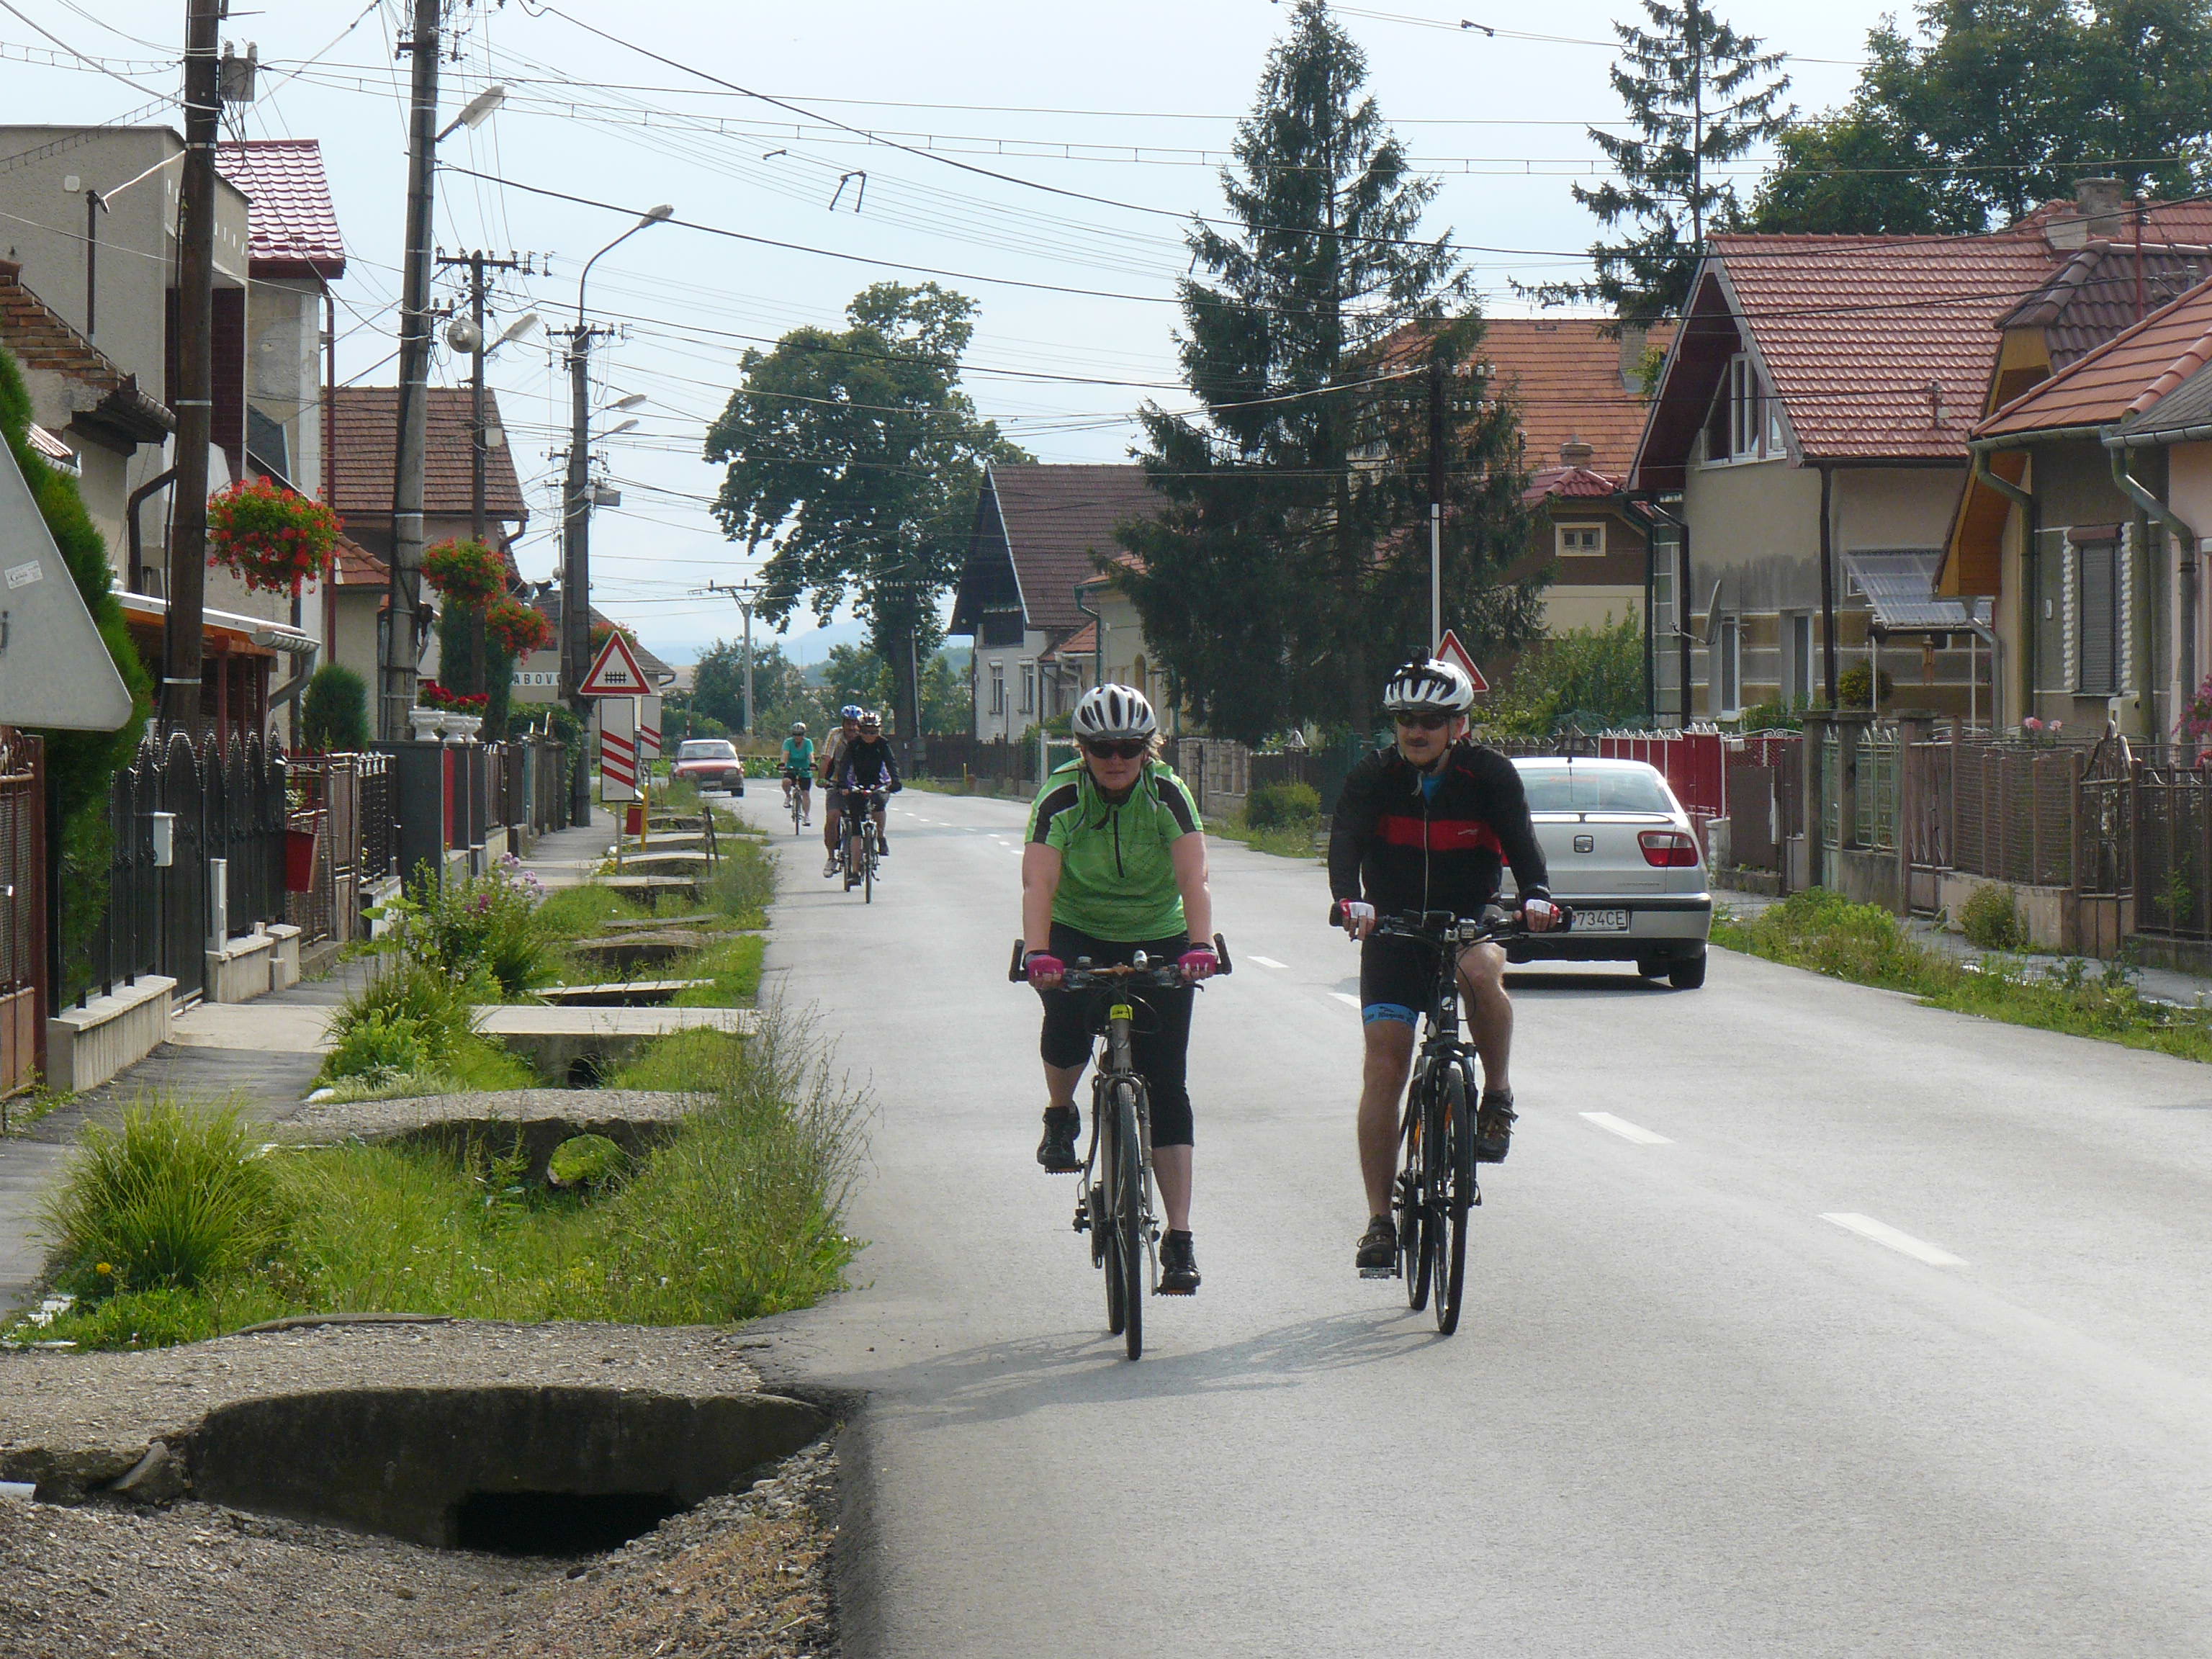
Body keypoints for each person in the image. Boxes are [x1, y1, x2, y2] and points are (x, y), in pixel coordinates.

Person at [1328, 657, 1560, 1277]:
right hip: (1395, 929)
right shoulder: (1374, 777)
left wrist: (1536, 894)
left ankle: (1499, 1096)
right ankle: (1379, 1220)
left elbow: (1521, 842)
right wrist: (1350, 899)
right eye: (1406, 719)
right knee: (1384, 1065)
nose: (1416, 730)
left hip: (1468, 917)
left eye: (1431, 719)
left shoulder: (1489, 776)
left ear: (1458, 725)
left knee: (1483, 975)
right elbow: (1345, 841)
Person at [1022, 683, 1218, 1296]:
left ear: (1147, 748)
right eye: (1102, 747)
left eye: (1129, 747)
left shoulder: (1167, 794)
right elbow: (1039, 883)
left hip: (1160, 932)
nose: (1115, 758)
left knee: (1168, 1081)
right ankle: (1060, 1112)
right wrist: (1038, 953)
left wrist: (1201, 947)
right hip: (1077, 928)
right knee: (1065, 1023)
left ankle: (1179, 1238)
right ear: (1081, 748)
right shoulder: (1060, 795)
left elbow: (1194, 875)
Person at [832, 710, 902, 858]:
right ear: (860, 730)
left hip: (877, 783)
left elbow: (891, 763)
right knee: (856, 820)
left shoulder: (882, 744)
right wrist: (843, 784)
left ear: (879, 731)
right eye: (866, 731)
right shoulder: (854, 745)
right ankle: (855, 870)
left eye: (873, 731)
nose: (870, 735)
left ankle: (881, 837)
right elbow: (845, 765)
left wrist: (895, 782)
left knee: (879, 804)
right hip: (857, 784)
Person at [817, 705, 863, 878]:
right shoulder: (835, 735)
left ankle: (868, 847)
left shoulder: (867, 733)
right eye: (848, 723)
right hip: (836, 782)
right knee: (832, 817)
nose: (852, 728)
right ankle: (831, 857)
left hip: (861, 784)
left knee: (867, 817)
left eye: (855, 723)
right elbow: (826, 757)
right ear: (843, 723)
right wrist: (822, 778)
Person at [781, 722, 815, 825]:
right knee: (786, 781)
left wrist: (812, 763)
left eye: (800, 734)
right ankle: (788, 796)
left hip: (804, 769)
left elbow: (810, 754)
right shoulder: (788, 742)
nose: (797, 737)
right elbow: (786, 754)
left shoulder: (808, 743)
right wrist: (783, 763)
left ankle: (806, 816)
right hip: (791, 768)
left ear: (804, 735)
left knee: (805, 793)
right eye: (795, 734)